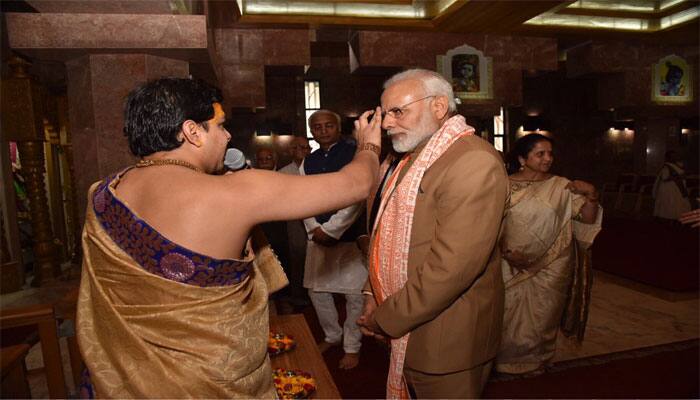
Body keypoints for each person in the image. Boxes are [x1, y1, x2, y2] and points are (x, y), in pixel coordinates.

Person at [76, 77, 382, 398]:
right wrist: (368, 143)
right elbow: (358, 184)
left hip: (123, 378)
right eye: (220, 125)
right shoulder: (234, 193)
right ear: (193, 131)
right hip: (204, 383)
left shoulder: (102, 193)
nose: (227, 135)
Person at [357, 68, 509, 398]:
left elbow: (450, 270)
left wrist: (385, 318)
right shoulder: (411, 158)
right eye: (385, 114)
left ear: (439, 107)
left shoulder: (472, 162)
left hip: (448, 337)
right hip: (410, 320)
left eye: (399, 111)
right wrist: (373, 292)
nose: (386, 124)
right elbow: (384, 231)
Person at [495, 133, 603, 375]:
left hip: (553, 262)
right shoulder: (503, 185)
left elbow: (588, 218)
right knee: (507, 313)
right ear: (522, 159)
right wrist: (506, 251)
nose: (547, 159)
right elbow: (490, 222)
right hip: (508, 261)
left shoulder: (562, 185)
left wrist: (592, 195)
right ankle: (503, 359)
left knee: (544, 312)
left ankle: (537, 359)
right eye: (540, 154)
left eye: (550, 154)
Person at [301, 110, 368, 370]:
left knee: (354, 296)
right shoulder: (308, 161)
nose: (324, 130)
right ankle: (332, 335)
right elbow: (302, 197)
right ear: (312, 131)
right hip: (316, 236)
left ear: (338, 128)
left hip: (349, 238)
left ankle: (352, 347)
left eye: (329, 125)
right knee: (318, 292)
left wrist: (332, 229)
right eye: (317, 127)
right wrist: (314, 228)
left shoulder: (354, 155)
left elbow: (357, 196)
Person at [278, 136, 313, 306]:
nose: (304, 150)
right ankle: (298, 295)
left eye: (306, 147)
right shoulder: (283, 172)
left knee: (316, 258)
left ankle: (316, 295)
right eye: (299, 147)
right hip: (295, 221)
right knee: (298, 256)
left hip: (317, 219)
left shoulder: (316, 167)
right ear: (291, 151)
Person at [653, 150, 691, 219]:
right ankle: (670, 218)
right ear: (669, 157)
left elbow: (684, 173)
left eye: (675, 155)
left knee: (679, 203)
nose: (675, 157)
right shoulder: (666, 166)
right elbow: (664, 178)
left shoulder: (678, 164)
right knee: (671, 203)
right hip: (670, 188)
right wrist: (678, 177)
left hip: (678, 187)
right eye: (673, 156)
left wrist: (683, 175)